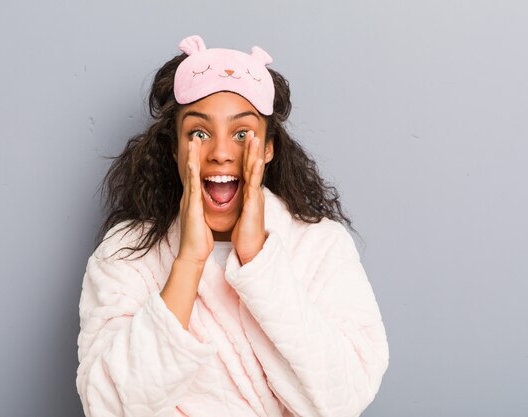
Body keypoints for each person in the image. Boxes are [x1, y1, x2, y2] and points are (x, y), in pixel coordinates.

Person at [76, 35, 389, 417]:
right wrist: (189, 262)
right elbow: (105, 405)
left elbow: (345, 397)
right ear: (174, 147)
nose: (222, 153)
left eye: (242, 134)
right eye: (199, 133)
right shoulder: (126, 251)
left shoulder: (321, 245)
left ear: (269, 147)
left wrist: (258, 259)